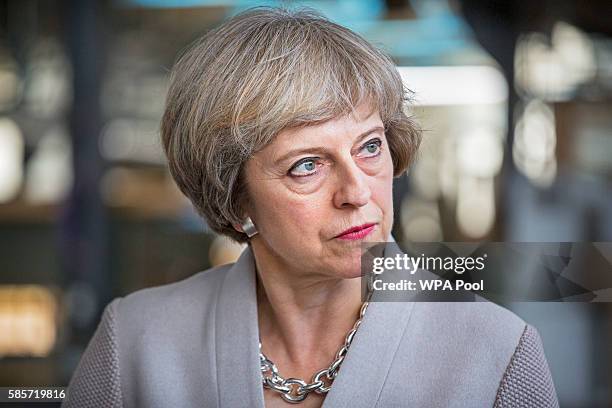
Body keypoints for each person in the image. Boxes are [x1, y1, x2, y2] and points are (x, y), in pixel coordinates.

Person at [63, 7, 558, 408]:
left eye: (368, 147)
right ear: (236, 200)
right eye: (306, 165)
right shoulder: (133, 344)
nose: (357, 192)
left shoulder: (498, 353)